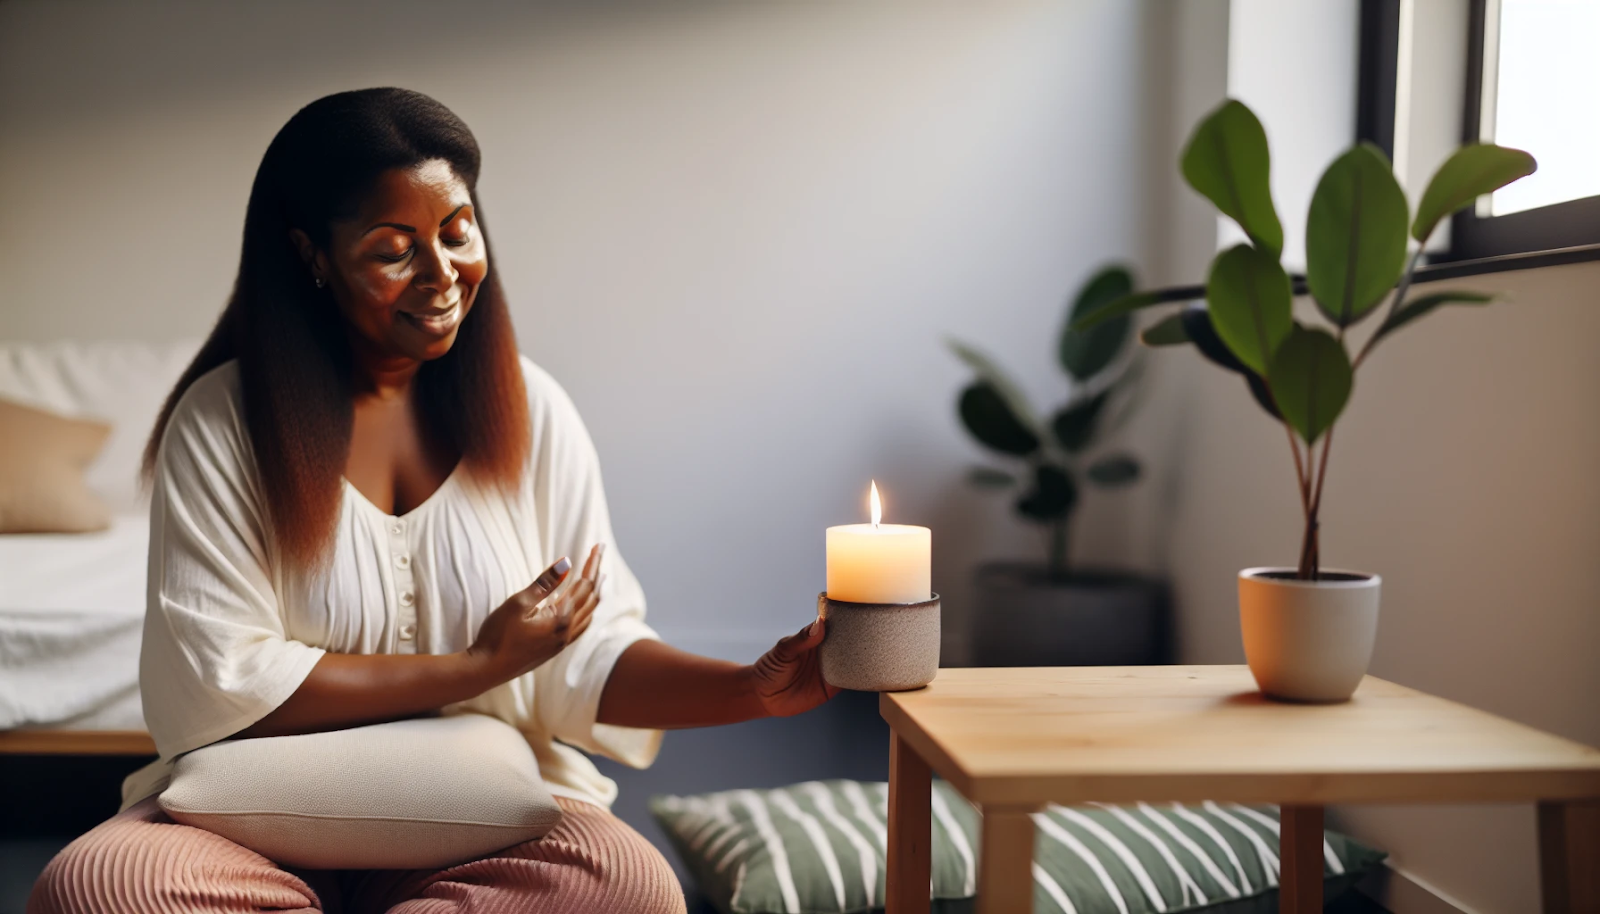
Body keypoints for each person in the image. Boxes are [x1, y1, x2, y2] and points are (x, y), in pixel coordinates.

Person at [29, 88, 836, 914]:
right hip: (246, 821)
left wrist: (751, 689)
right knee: (99, 889)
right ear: (312, 254)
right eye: (393, 249)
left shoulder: (533, 410)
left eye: (456, 232)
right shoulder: (222, 423)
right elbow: (219, 680)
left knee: (627, 888)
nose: (443, 273)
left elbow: (586, 654)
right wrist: (478, 669)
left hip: (481, 815)